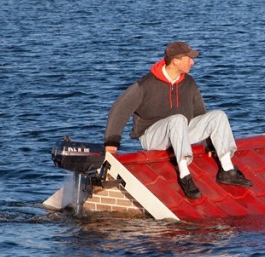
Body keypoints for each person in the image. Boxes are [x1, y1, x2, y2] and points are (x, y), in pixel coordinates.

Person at [103, 41, 253, 199]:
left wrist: (208, 144)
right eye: (189, 58)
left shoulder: (189, 83)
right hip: (152, 136)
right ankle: (184, 175)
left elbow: (199, 114)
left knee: (218, 115)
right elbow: (119, 109)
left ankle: (227, 170)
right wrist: (111, 141)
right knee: (178, 119)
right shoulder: (145, 84)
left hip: (180, 131)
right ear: (176, 60)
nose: (193, 62)